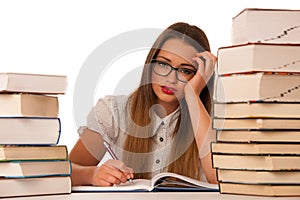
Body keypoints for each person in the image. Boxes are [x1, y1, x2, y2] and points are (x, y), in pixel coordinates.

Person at [69, 22, 218, 186]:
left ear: (200, 75)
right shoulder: (113, 112)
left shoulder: (211, 121)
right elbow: (65, 171)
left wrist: (192, 94)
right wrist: (92, 175)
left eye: (185, 70)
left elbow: (219, 178)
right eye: (163, 64)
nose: (171, 79)